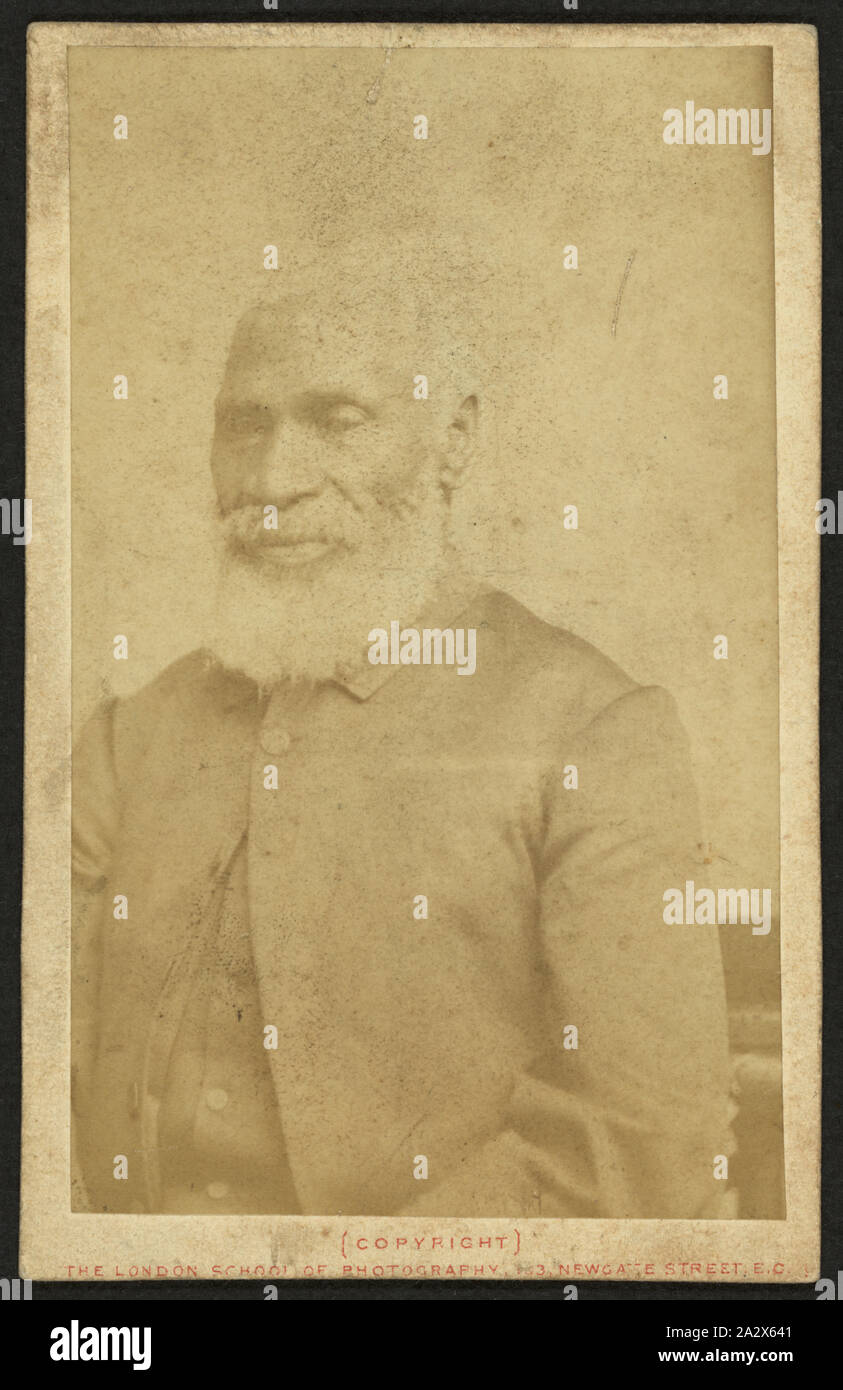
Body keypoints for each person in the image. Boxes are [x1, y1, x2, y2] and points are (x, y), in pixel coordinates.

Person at [71, 244, 732, 1217]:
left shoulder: (591, 728)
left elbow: (640, 1141)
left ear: (453, 442)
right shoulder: (141, 728)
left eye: (336, 420)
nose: (271, 477)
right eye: (242, 426)